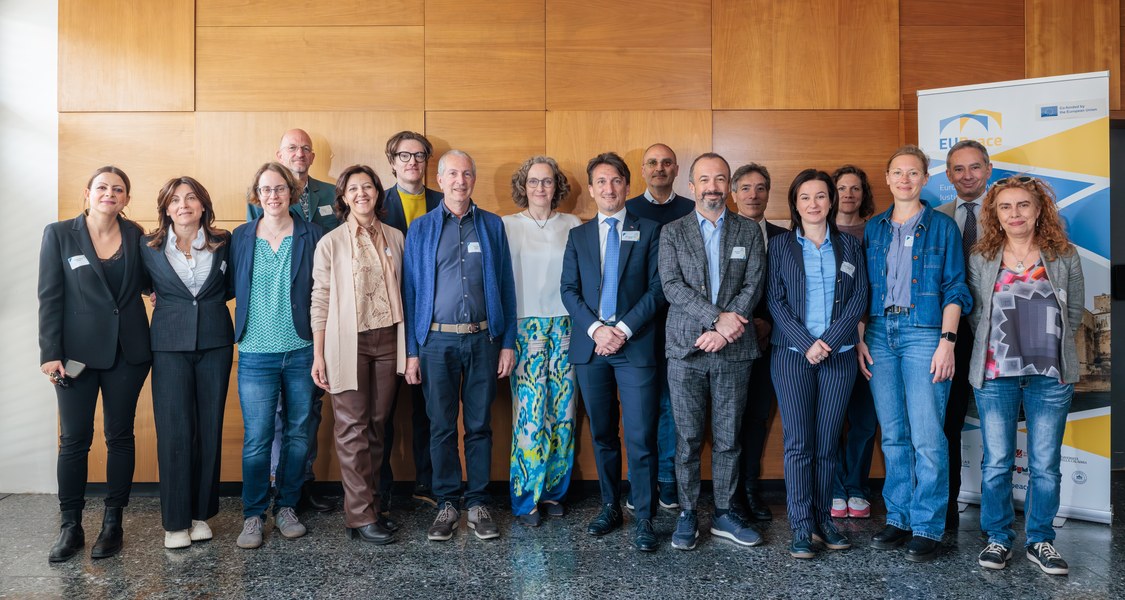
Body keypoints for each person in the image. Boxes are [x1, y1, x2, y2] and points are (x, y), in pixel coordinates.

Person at [860, 145, 971, 563]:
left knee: (927, 435)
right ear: (887, 179)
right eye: (897, 173)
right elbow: (863, 291)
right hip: (878, 332)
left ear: (925, 179)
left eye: (913, 173)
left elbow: (957, 287)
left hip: (925, 332)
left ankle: (927, 524)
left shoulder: (943, 227)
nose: (905, 179)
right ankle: (900, 517)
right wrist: (859, 339)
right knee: (893, 434)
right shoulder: (874, 228)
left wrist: (948, 340)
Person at [967, 176, 1083, 576]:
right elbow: (977, 315)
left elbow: (1075, 313)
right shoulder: (982, 257)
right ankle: (998, 538)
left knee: (1045, 464)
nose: (1014, 214)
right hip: (997, 373)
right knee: (997, 462)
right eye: (1005, 207)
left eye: (1023, 206)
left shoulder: (1063, 254)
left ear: (1038, 211)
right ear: (995, 214)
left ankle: (1040, 541)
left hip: (1050, 373)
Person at [402, 150, 517, 542]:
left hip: (484, 339)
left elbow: (505, 286)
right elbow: (411, 291)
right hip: (435, 341)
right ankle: (448, 503)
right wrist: (412, 351)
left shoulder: (492, 226)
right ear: (440, 178)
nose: (460, 181)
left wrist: (507, 342)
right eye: (453, 174)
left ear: (474, 179)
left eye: (467, 174)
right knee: (440, 426)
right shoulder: (420, 229)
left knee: (480, 425)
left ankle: (479, 502)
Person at [38, 166, 152, 562]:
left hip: (129, 352)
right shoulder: (59, 234)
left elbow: (150, 279)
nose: (110, 194)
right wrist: (49, 352)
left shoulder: (137, 234)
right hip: (75, 357)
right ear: (87, 192)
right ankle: (70, 526)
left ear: (126, 198)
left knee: (119, 436)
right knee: (74, 440)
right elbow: (50, 296)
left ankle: (113, 522)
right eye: (102, 187)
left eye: (118, 189)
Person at [659, 153, 766, 550]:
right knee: (686, 439)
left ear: (729, 186)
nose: (713, 187)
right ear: (691, 186)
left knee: (728, 439)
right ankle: (687, 513)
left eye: (720, 179)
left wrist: (725, 330)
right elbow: (671, 285)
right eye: (705, 179)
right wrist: (715, 319)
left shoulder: (748, 231)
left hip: (733, 351)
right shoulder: (672, 232)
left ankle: (723, 512)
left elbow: (754, 285)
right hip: (686, 351)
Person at [561, 152, 665, 551]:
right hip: (592, 349)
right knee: (603, 434)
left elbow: (658, 290)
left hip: (635, 346)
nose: (609, 188)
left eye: (616, 181)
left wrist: (620, 329)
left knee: (640, 436)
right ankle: (609, 506)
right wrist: (596, 330)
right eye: (601, 182)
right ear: (591, 190)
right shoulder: (579, 236)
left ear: (626, 185)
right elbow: (568, 290)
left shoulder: (651, 230)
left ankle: (644, 515)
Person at [767, 169, 868, 559]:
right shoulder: (779, 246)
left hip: (838, 357)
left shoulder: (849, 247)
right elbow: (775, 300)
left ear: (831, 201)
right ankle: (800, 526)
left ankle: (824, 519)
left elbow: (859, 297)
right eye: (805, 197)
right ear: (795, 203)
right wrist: (808, 343)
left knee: (827, 444)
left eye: (821, 196)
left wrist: (828, 342)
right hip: (793, 357)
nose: (814, 204)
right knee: (799, 445)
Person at [231, 162, 324, 549]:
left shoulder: (313, 235)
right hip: (254, 352)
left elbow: (323, 292)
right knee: (257, 437)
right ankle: (253, 515)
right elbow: (216, 283)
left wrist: (321, 351)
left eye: (280, 188)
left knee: (299, 434)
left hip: (301, 350)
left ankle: (287, 506)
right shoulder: (239, 237)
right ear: (257, 195)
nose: (273, 195)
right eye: (266, 189)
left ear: (292, 193)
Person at [310, 165, 405, 545]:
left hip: (388, 341)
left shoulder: (396, 237)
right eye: (353, 188)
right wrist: (319, 354)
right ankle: (359, 516)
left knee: (379, 425)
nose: (362, 193)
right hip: (346, 343)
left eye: (368, 186)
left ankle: (375, 507)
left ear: (378, 194)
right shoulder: (330, 242)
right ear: (344, 197)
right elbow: (320, 299)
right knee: (351, 428)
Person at [247, 128, 339, 514]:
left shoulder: (331, 194)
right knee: (270, 423)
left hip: (314, 317)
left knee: (307, 413)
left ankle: (301, 484)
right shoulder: (257, 208)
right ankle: (273, 485)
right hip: (264, 331)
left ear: (312, 157)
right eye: (291, 148)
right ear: (279, 154)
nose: (298, 154)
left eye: (305, 149)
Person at [139, 177, 233, 549]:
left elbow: (232, 285)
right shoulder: (148, 246)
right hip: (168, 345)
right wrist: (157, 295)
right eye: (175, 200)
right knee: (175, 431)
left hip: (215, 342)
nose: (183, 205)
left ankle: (200, 515)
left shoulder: (225, 242)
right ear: (165, 207)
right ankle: (176, 522)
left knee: (209, 429)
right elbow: (142, 283)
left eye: (191, 198)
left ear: (203, 204)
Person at [502, 156, 582, 527]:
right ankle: (525, 497)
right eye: (533, 181)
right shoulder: (506, 226)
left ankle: (553, 491)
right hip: (525, 327)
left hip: (566, 326)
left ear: (557, 187)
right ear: (523, 186)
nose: (540, 188)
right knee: (531, 414)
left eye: (547, 182)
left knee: (562, 412)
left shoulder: (573, 224)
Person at [622, 142, 694, 510]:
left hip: (680, 328)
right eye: (652, 162)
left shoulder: (691, 210)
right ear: (643, 169)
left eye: (666, 162)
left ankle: (666, 480)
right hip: (638, 328)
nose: (659, 168)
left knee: (671, 408)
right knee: (639, 409)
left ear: (677, 169)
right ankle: (640, 482)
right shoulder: (627, 210)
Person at [379, 130, 443, 510]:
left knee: (428, 406)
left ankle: (428, 481)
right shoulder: (377, 202)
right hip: (385, 318)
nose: (412, 162)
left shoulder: (444, 200)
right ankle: (381, 487)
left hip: (429, 318)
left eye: (419, 155)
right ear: (392, 162)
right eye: (404, 156)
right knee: (382, 409)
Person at [936, 140, 991, 531]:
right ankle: (949, 506)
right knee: (948, 422)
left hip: (999, 335)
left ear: (988, 169)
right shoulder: (937, 218)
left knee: (999, 424)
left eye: (974, 167)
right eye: (958, 169)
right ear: (947, 174)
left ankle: (998, 515)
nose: (967, 175)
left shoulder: (1010, 212)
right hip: (950, 335)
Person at [731, 162, 787, 521]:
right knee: (727, 421)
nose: (754, 195)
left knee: (756, 419)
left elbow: (794, 292)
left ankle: (750, 489)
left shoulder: (784, 237)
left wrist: (769, 325)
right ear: (734, 194)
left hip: (772, 344)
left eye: (761, 188)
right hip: (731, 341)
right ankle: (730, 493)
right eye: (746, 188)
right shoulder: (721, 234)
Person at [829, 165, 878, 520]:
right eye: (842, 188)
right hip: (828, 340)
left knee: (863, 419)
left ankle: (857, 485)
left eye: (855, 188)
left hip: (871, 336)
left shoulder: (876, 231)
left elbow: (872, 287)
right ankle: (833, 487)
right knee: (830, 418)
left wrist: (860, 329)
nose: (848, 194)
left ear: (864, 194)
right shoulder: (816, 230)